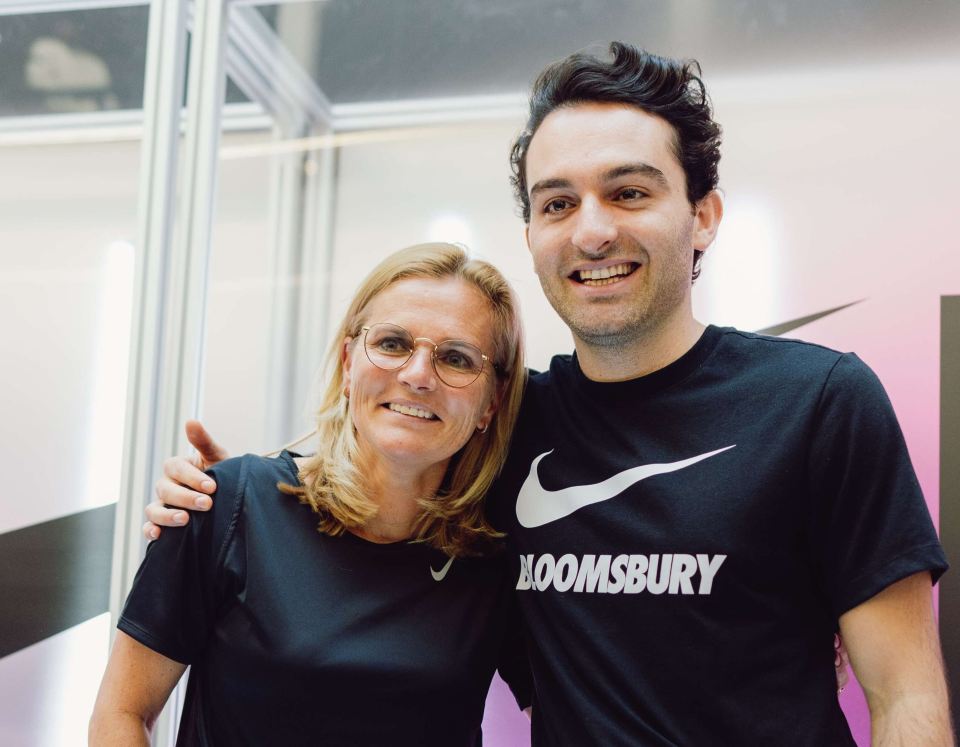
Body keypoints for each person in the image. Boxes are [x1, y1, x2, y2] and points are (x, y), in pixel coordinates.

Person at [147, 43, 951, 744]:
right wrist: (229, 506)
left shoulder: (819, 401)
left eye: (629, 192)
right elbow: (376, 457)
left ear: (702, 215)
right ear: (531, 231)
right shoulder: (501, 422)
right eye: (557, 202)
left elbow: (907, 693)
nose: (591, 231)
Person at [89, 243, 531, 746]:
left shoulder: (498, 555)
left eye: (456, 358)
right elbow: (121, 712)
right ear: (348, 364)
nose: (416, 375)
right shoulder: (231, 505)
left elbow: (579, 713)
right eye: (392, 343)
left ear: (490, 404)